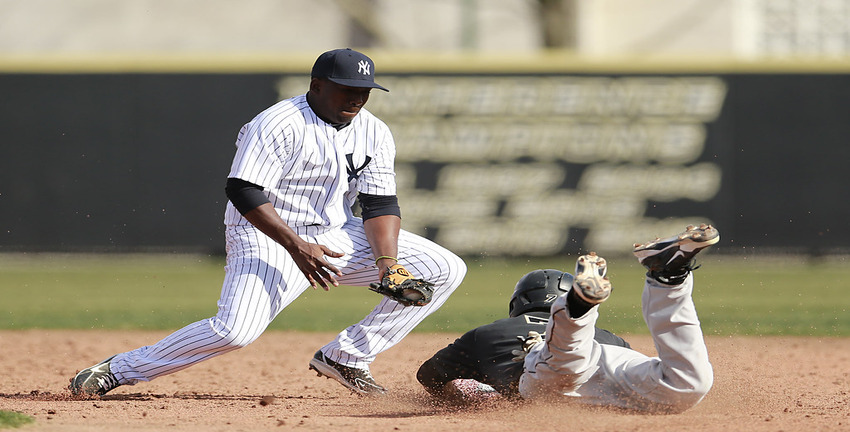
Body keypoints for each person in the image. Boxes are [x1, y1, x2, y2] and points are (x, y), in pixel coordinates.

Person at [69, 48, 466, 397]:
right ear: (317, 85)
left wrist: (386, 263)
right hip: (267, 237)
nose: (357, 98)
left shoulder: (375, 131)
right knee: (235, 331)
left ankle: (346, 356)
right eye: (347, 89)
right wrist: (295, 245)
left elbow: (379, 203)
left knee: (445, 268)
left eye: (364, 90)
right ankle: (118, 369)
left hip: (335, 235)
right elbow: (243, 190)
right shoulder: (278, 123)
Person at [418, 224, 718, 413]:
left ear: (519, 302)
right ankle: (670, 278)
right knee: (688, 385)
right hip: (608, 359)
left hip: (550, 371)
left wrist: (470, 393)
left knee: (562, 365)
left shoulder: (489, 332)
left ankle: (578, 307)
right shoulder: (611, 336)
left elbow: (430, 376)